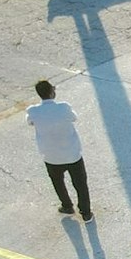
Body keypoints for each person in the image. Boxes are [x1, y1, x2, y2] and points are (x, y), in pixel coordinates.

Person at [27, 80, 89, 220]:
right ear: (52, 92)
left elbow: (30, 122)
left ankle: (67, 206)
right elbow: (74, 118)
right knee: (80, 184)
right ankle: (86, 213)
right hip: (72, 153)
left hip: (51, 156)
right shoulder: (64, 107)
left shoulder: (33, 111)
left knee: (58, 182)